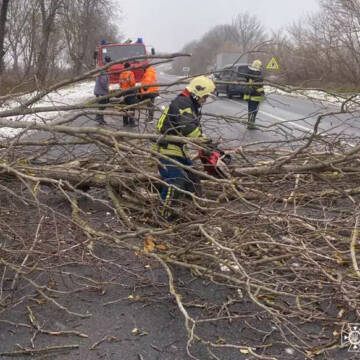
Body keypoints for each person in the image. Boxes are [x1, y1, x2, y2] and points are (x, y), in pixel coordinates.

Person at [153, 75, 215, 221]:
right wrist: (205, 143)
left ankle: (193, 210)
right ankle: (162, 216)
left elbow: (194, 129)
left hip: (178, 149)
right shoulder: (183, 103)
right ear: (196, 92)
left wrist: (207, 144)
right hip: (166, 150)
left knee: (193, 178)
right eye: (204, 96)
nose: (205, 100)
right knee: (176, 181)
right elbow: (189, 129)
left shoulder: (189, 104)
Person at [243, 59, 265, 129]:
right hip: (255, 95)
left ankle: (250, 123)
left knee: (250, 110)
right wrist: (262, 94)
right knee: (254, 111)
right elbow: (259, 86)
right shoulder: (257, 75)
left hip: (249, 94)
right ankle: (251, 125)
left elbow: (248, 84)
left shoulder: (249, 73)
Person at [93, 55, 111, 125]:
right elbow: (103, 83)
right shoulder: (103, 72)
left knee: (103, 105)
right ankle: (98, 117)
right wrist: (108, 89)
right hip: (101, 92)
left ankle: (100, 118)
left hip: (100, 91)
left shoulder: (103, 70)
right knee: (102, 105)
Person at [119, 62, 137, 127]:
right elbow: (132, 83)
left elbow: (120, 84)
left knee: (125, 107)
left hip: (124, 92)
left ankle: (125, 122)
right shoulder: (130, 73)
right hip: (130, 91)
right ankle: (132, 123)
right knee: (132, 107)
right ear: (129, 67)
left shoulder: (121, 74)